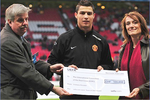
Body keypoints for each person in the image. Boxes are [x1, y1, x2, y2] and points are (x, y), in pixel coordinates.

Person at [1, 4, 72, 100]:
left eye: (26, 19)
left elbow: (30, 62)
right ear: (9, 21)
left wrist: (49, 68)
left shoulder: (16, 37)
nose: (25, 23)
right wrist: (53, 88)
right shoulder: (7, 42)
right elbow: (25, 71)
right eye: (20, 20)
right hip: (13, 95)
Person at [48, 0, 114, 99]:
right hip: (68, 96)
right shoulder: (64, 38)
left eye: (89, 13)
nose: (86, 16)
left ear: (94, 16)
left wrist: (103, 68)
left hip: (92, 96)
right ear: (76, 15)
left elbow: (109, 65)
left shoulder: (101, 41)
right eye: (82, 13)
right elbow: (51, 62)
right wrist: (65, 68)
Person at [116, 11, 149, 99]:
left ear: (141, 25)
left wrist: (141, 89)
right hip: (125, 96)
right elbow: (120, 70)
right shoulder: (123, 48)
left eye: (135, 22)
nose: (131, 26)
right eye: (128, 23)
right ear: (125, 28)